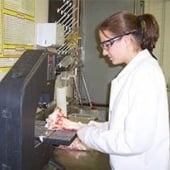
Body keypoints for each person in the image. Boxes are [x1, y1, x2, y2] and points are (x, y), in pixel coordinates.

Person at [47, 10, 169, 170]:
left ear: (126, 39)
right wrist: (77, 126)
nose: (104, 52)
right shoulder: (137, 71)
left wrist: (84, 134)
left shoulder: (145, 75)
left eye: (107, 44)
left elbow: (131, 142)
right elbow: (120, 127)